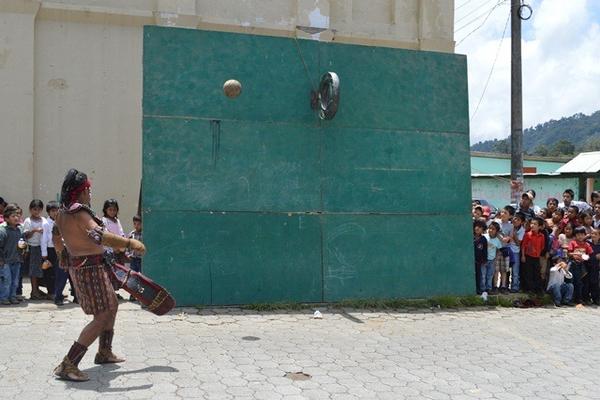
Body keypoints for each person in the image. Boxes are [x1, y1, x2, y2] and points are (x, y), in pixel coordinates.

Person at [52, 169, 146, 382]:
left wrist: (62, 253)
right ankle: (69, 364)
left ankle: (104, 352)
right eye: (88, 189)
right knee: (103, 315)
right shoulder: (79, 213)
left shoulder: (62, 212)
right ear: (83, 190)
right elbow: (100, 236)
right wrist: (130, 243)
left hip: (87, 267)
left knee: (112, 305)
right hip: (90, 270)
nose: (90, 193)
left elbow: (56, 235)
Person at [23, 199, 49, 300]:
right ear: (30, 210)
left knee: (41, 270)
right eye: (34, 209)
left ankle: (38, 289)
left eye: (39, 209)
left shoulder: (44, 220)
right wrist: (34, 230)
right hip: (33, 247)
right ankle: (34, 291)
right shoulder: (28, 221)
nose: (36, 211)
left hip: (43, 248)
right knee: (34, 270)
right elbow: (26, 236)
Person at [0, 205, 23, 305]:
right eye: (13, 216)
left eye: (18, 215)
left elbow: (22, 243)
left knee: (15, 281)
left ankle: (12, 296)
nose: (16, 218)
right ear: (6, 218)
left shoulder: (19, 230)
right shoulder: (3, 231)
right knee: (6, 280)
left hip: (16, 260)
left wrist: (24, 248)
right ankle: (4, 297)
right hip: (5, 261)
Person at [567, 226, 593, 305]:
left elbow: (590, 255)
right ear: (575, 235)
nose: (580, 236)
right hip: (572, 264)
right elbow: (569, 253)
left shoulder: (587, 244)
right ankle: (570, 299)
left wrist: (585, 257)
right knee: (571, 281)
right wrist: (575, 254)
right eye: (578, 234)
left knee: (579, 282)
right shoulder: (573, 243)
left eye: (582, 234)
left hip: (581, 265)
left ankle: (578, 299)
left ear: (585, 235)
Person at [520, 217, 546, 294]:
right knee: (528, 273)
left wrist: (537, 253)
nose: (532, 225)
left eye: (535, 224)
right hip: (528, 257)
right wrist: (523, 256)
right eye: (531, 223)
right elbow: (523, 246)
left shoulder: (542, 236)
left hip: (536, 257)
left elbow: (542, 247)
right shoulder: (527, 234)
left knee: (537, 273)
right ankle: (529, 289)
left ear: (540, 227)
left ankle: (537, 289)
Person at [493, 207, 513, 293]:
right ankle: (495, 286)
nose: (503, 214)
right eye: (502, 212)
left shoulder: (511, 225)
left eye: (506, 213)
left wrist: (508, 238)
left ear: (510, 216)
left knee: (504, 270)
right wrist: (502, 238)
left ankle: (503, 286)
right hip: (497, 249)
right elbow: (495, 233)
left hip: (505, 249)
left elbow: (511, 237)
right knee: (496, 269)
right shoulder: (496, 222)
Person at [482, 221, 503, 295]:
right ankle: (483, 289)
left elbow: (498, 250)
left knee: (490, 275)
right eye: (490, 228)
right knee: (483, 275)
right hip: (483, 260)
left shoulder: (497, 241)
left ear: (496, 231)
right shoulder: (484, 237)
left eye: (493, 229)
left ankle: (489, 288)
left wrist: (495, 259)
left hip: (492, 260)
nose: (491, 230)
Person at [127, 215, 143, 301]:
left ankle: (141, 294)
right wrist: (128, 254)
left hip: (141, 259)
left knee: (142, 276)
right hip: (133, 259)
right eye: (135, 224)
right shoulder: (131, 234)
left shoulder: (144, 234)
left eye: (139, 224)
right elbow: (127, 245)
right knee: (133, 276)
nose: (136, 226)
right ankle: (132, 294)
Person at [509, 212, 526, 292]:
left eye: (518, 220)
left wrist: (515, 234)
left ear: (522, 222)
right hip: (508, 249)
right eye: (515, 218)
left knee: (515, 270)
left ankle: (515, 287)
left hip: (516, 251)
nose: (515, 220)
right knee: (505, 269)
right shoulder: (510, 226)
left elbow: (519, 243)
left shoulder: (522, 230)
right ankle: (505, 286)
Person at [584, 228, 600, 305]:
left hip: (596, 267)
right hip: (587, 265)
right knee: (587, 283)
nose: (593, 235)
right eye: (592, 233)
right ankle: (586, 298)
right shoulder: (587, 243)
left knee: (595, 282)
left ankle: (595, 298)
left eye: (596, 234)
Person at [473, 219, 487, 294]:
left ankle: (478, 289)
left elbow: (484, 250)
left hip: (478, 261)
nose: (477, 228)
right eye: (476, 226)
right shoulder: (470, 237)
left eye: (480, 227)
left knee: (478, 275)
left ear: (483, 230)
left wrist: (484, 260)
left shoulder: (483, 239)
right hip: (469, 261)